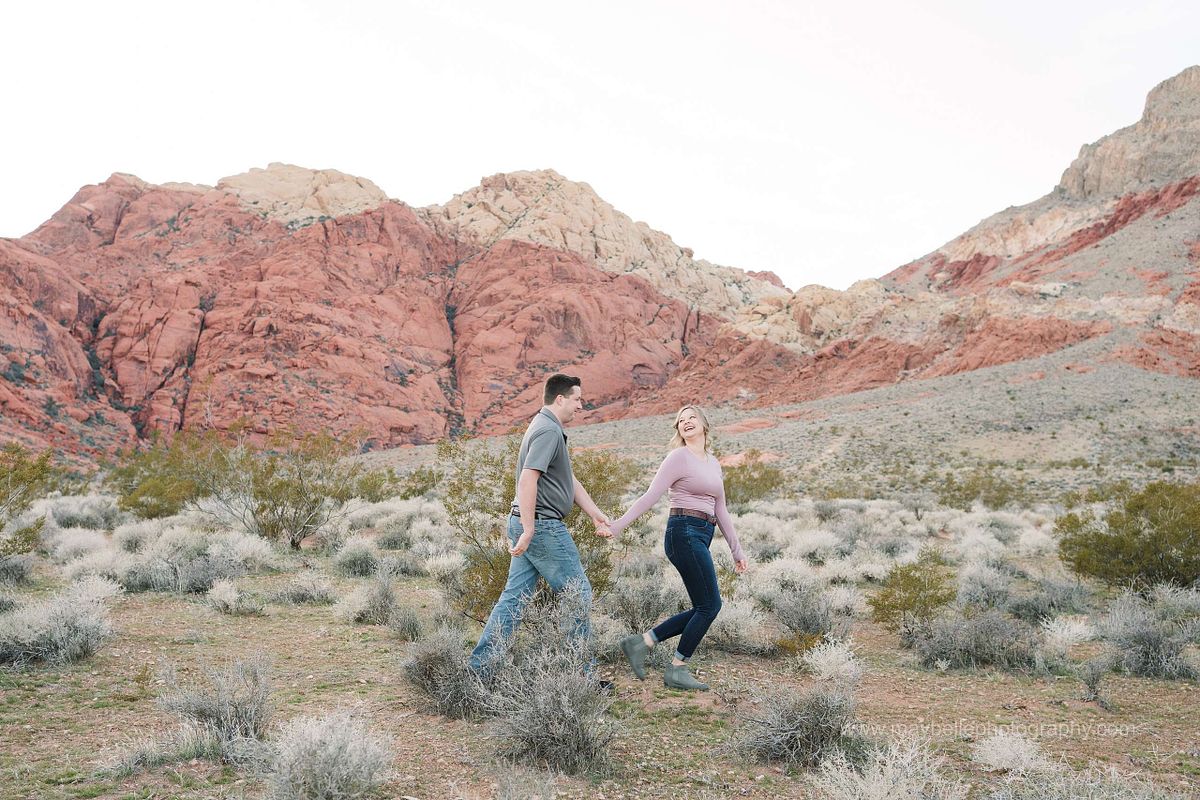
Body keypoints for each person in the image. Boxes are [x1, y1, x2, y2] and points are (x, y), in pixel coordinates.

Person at [468, 373, 613, 676]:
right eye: (577, 399)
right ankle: (581, 676)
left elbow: (567, 479)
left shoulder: (544, 425)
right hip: (543, 527)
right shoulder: (548, 430)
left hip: (531, 524)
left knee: (514, 599)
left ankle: (480, 671)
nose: (580, 406)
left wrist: (594, 513)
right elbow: (527, 479)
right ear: (560, 399)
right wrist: (530, 529)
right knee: (578, 594)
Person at [607, 405, 748, 690]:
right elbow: (650, 496)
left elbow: (720, 508)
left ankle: (641, 644)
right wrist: (618, 525)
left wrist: (737, 550)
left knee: (703, 606)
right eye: (681, 420)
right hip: (683, 531)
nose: (686, 422)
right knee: (710, 606)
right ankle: (677, 669)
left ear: (704, 424)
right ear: (678, 429)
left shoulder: (713, 462)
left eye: (691, 417)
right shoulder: (678, 457)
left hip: (702, 533)